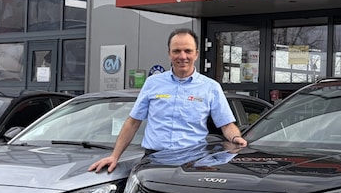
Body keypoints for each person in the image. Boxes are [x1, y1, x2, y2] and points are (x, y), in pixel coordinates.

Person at [89, 27, 247, 173]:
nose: (182, 56)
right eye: (177, 51)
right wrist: (114, 156)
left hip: (193, 163)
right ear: (169, 53)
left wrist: (236, 138)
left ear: (196, 54)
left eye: (188, 51)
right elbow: (133, 122)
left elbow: (226, 125)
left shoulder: (211, 87)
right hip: (154, 161)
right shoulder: (152, 83)